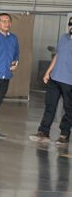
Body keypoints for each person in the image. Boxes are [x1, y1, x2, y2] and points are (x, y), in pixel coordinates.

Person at [31, 16, 72, 145]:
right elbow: (57, 56)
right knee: (50, 106)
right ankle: (43, 132)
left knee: (69, 109)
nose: (71, 26)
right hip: (55, 79)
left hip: (69, 82)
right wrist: (48, 72)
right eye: (70, 24)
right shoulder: (63, 37)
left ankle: (64, 134)